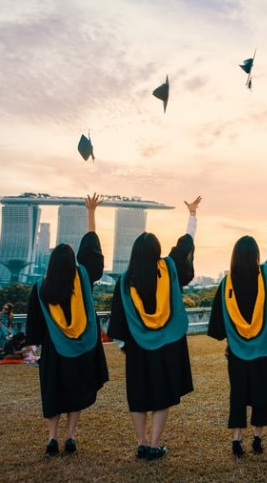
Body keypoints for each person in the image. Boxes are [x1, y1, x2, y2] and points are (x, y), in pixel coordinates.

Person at [107, 196, 201, 461]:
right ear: (158, 251)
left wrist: (124, 345)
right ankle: (155, 443)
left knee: (138, 394)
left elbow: (118, 318)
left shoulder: (126, 281)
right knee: (162, 394)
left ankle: (141, 441)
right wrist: (192, 215)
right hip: (167, 344)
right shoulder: (169, 268)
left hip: (137, 345)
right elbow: (185, 245)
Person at [25, 193, 109, 457]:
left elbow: (34, 328)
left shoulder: (40, 288)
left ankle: (52, 438)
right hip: (82, 348)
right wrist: (91, 212)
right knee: (77, 391)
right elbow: (92, 250)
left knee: (55, 393)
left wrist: (37, 346)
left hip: (54, 350)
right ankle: (71, 436)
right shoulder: (82, 276)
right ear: (73, 263)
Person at [207, 210, 267, 458]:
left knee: (238, 395)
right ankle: (257, 439)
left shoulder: (227, 284)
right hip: (265, 350)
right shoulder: (266, 273)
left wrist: (232, 341)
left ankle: (237, 441)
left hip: (237, 352)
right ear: (256, 255)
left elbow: (219, 322)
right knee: (260, 395)